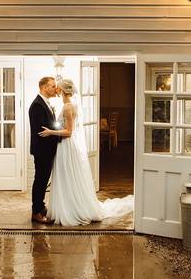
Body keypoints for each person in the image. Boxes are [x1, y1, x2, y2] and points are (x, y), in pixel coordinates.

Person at [38, 78, 133, 226]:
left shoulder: (68, 107)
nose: (55, 89)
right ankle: (67, 206)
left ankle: (71, 209)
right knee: (66, 177)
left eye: (57, 87)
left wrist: (51, 132)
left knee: (67, 176)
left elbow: (69, 132)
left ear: (62, 90)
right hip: (64, 146)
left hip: (67, 146)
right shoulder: (67, 105)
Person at [28, 76, 61, 224]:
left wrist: (57, 130)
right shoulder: (37, 105)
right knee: (40, 181)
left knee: (43, 180)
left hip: (47, 150)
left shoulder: (45, 103)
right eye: (53, 86)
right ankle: (36, 212)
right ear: (44, 87)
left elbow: (50, 125)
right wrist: (60, 132)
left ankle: (40, 207)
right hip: (42, 150)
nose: (55, 89)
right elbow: (41, 130)